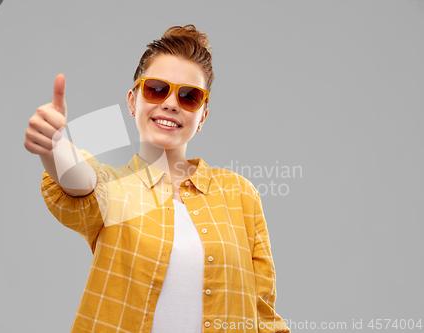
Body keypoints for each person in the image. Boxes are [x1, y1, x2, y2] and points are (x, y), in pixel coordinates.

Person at [24, 24, 290, 333]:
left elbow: (263, 313)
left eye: (190, 96)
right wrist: (53, 146)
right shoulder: (114, 188)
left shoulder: (240, 194)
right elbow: (80, 180)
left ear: (202, 116)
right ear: (133, 100)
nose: (171, 103)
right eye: (156, 89)